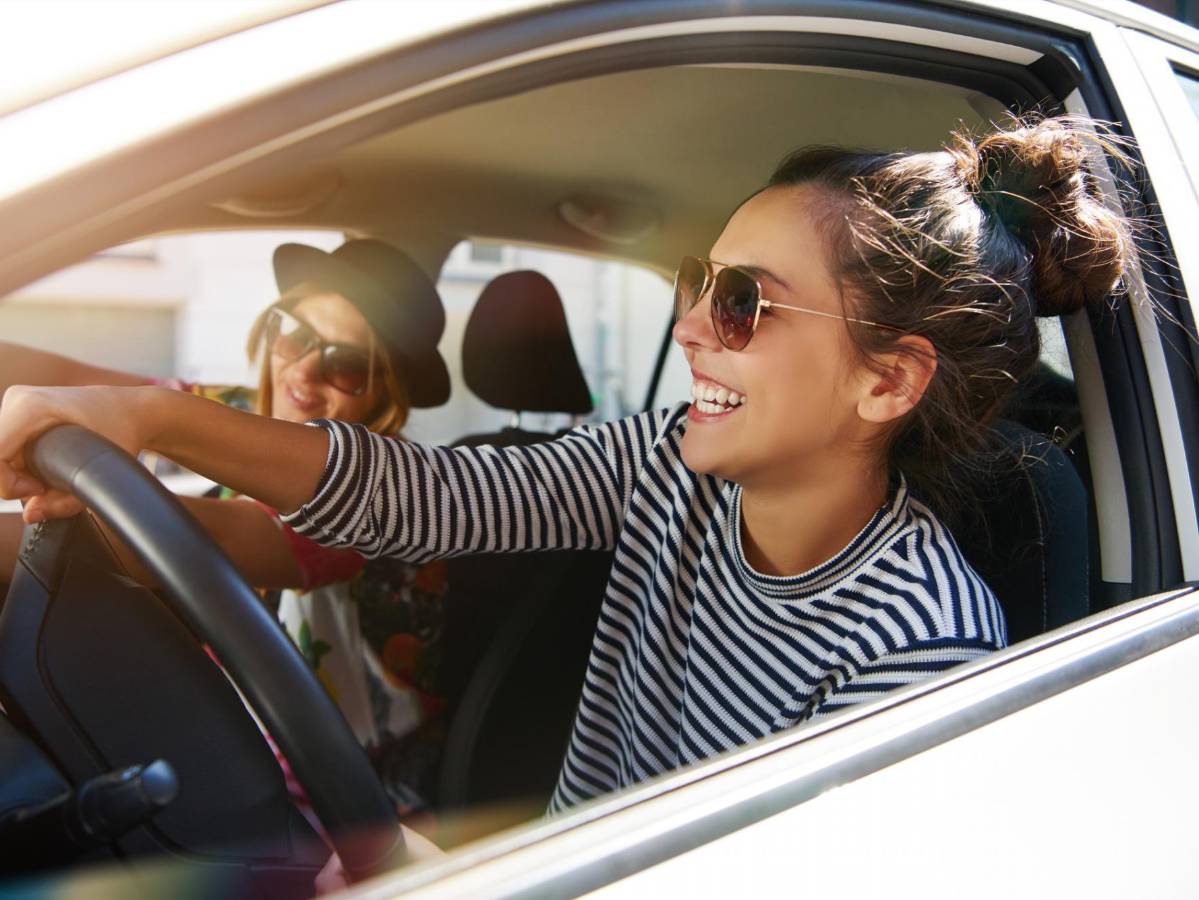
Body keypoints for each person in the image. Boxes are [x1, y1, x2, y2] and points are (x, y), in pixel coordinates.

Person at [0, 116, 1137, 814]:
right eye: (698, 280)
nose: (693, 326)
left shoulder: (918, 643)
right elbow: (428, 498)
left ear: (884, 382)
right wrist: (144, 419)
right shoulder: (668, 467)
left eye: (740, 302)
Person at [0, 238, 454, 816]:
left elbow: (198, 540)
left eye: (345, 366)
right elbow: (77, 385)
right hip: (235, 754)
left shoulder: (386, 493)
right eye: (295, 335)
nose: (304, 373)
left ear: (386, 392)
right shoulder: (239, 413)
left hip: (349, 809)